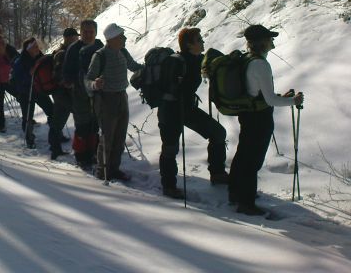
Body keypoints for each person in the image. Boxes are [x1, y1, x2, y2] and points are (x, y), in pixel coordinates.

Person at [229, 24, 304, 215]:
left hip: (248, 113)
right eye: (270, 38)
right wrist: (293, 101)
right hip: (259, 118)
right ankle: (246, 203)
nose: (272, 41)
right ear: (262, 42)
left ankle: (235, 193)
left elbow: (260, 93)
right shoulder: (261, 64)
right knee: (252, 161)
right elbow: (270, 100)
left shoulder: (247, 60)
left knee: (244, 153)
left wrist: (284, 97)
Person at [157, 28, 229, 200]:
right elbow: (165, 87)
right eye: (199, 40)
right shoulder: (175, 62)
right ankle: (169, 186)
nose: (203, 42)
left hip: (187, 108)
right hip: (170, 110)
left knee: (218, 133)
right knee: (170, 148)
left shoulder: (198, 60)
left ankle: (217, 173)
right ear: (189, 45)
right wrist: (178, 86)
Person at [85, 23, 142, 181]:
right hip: (106, 99)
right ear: (111, 39)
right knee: (107, 136)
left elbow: (134, 66)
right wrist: (95, 84)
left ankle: (114, 169)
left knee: (120, 136)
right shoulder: (100, 55)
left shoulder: (123, 51)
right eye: (121, 36)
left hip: (122, 96)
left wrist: (149, 68)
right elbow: (88, 79)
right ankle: (102, 170)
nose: (124, 39)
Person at [63, 19, 103, 169]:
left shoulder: (100, 47)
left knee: (95, 123)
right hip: (79, 92)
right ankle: (80, 154)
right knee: (82, 123)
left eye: (91, 31)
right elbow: (66, 71)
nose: (88, 34)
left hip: (98, 91)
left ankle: (92, 153)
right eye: (85, 31)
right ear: (80, 32)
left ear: (96, 32)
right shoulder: (73, 49)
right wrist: (71, 82)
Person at [13, 37, 54, 148]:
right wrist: (29, 75)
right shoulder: (20, 61)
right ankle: (29, 137)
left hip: (39, 90)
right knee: (28, 117)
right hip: (26, 92)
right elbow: (17, 78)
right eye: (35, 47)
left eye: (37, 46)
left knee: (52, 111)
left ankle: (56, 134)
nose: (37, 49)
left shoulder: (41, 58)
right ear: (28, 49)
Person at [48, 27, 80, 160]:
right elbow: (58, 75)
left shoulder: (68, 51)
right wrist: (69, 84)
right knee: (64, 120)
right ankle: (56, 149)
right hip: (63, 93)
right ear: (67, 38)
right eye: (74, 37)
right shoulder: (62, 53)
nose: (76, 39)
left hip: (63, 93)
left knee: (58, 122)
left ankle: (55, 148)